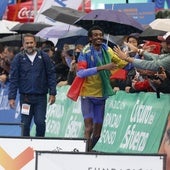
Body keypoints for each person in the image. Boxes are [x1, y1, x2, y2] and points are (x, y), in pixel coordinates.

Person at [67, 26, 127, 151]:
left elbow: (123, 64)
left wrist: (125, 56)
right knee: (88, 128)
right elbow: (81, 73)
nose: (99, 37)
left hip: (101, 95)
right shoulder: (85, 52)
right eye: (95, 35)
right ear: (90, 38)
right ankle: (85, 155)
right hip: (87, 94)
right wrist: (103, 67)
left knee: (98, 133)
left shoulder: (108, 50)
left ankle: (87, 151)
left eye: (101, 34)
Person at [8, 33, 57, 137]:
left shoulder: (44, 57)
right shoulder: (18, 58)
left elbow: (51, 74)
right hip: (25, 98)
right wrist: (11, 97)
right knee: (25, 124)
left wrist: (53, 93)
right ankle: (25, 145)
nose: (29, 45)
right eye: (27, 43)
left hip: (40, 98)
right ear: (23, 44)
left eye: (31, 42)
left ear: (35, 43)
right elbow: (13, 79)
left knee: (40, 122)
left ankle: (39, 143)